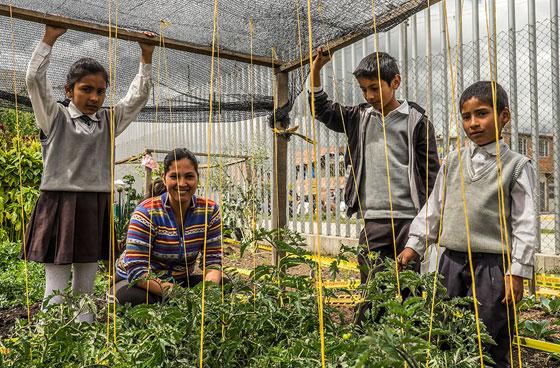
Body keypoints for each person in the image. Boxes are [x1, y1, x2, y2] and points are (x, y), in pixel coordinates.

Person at [398, 81, 537, 367]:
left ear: (504, 116)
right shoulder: (452, 162)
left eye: (482, 114)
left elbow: (525, 223)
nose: (473, 123)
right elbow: (434, 208)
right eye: (466, 116)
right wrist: (415, 244)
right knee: (445, 330)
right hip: (451, 262)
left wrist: (518, 271)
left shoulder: (517, 166)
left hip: (494, 266)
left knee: (490, 334)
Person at [22, 25, 154, 322]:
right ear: (68, 91)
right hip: (59, 202)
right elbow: (33, 79)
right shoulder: (54, 116)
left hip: (95, 204)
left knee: (86, 282)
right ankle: (51, 338)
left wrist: (146, 56)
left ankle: (83, 336)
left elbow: (136, 98)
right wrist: (49, 38)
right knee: (55, 285)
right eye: (86, 89)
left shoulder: (109, 120)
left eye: (100, 91)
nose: (94, 97)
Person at [309, 49, 440, 285]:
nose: (369, 96)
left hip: (408, 220)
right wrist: (317, 69)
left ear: (395, 82)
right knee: (371, 289)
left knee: (408, 289)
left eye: (374, 88)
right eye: (363, 89)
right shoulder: (359, 118)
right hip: (373, 220)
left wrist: (426, 223)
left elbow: (431, 175)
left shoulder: (417, 122)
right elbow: (321, 109)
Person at [113, 148, 223, 306]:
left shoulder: (209, 211)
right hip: (137, 282)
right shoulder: (146, 212)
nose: (182, 183)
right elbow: (138, 272)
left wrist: (208, 295)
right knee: (134, 300)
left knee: (223, 289)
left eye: (189, 176)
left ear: (198, 179)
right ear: (164, 179)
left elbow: (213, 262)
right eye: (174, 176)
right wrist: (183, 296)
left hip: (179, 280)